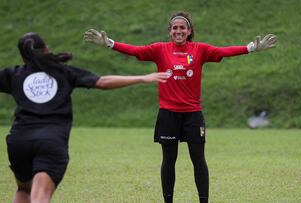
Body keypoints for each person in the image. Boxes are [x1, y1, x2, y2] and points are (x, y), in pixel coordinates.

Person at [84, 11, 277, 203]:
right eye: (175, 28)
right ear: (169, 31)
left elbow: (223, 52)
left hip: (193, 115)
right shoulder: (160, 49)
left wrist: (251, 47)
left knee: (198, 160)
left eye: (182, 27)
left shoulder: (200, 50)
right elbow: (136, 50)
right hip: (168, 114)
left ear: (189, 30)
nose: (178, 31)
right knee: (169, 160)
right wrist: (110, 43)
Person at [0, 32, 169, 203]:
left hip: (18, 142)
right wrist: (141, 77)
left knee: (23, 189)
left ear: (23, 58)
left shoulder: (13, 74)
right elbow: (102, 82)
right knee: (40, 196)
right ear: (47, 49)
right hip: (50, 142)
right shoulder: (63, 72)